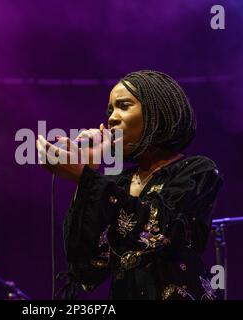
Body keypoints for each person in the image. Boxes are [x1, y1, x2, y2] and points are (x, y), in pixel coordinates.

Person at [36, 70, 223, 300]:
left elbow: (157, 229)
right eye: (110, 111)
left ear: (157, 112)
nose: (112, 118)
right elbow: (87, 270)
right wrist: (86, 175)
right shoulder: (118, 183)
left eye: (123, 106)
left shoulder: (197, 170)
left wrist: (86, 178)